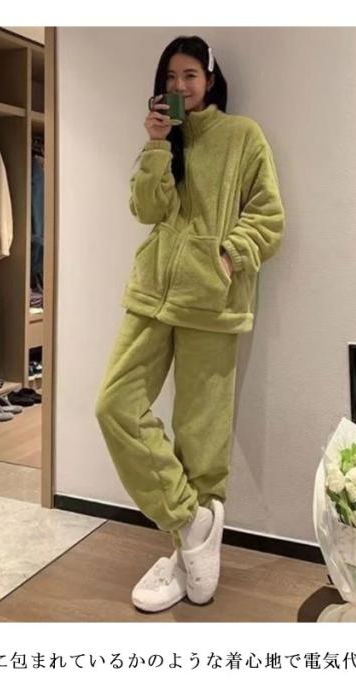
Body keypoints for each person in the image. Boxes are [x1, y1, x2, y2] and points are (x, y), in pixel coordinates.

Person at [94, 35, 285, 613]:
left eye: (190, 76)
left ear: (210, 79)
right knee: (114, 405)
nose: (180, 86)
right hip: (152, 293)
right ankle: (192, 521)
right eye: (171, 78)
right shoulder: (163, 139)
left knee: (200, 437)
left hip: (211, 302)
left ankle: (187, 557)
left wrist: (228, 256)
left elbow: (269, 216)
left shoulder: (243, 135)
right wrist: (156, 144)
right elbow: (146, 211)